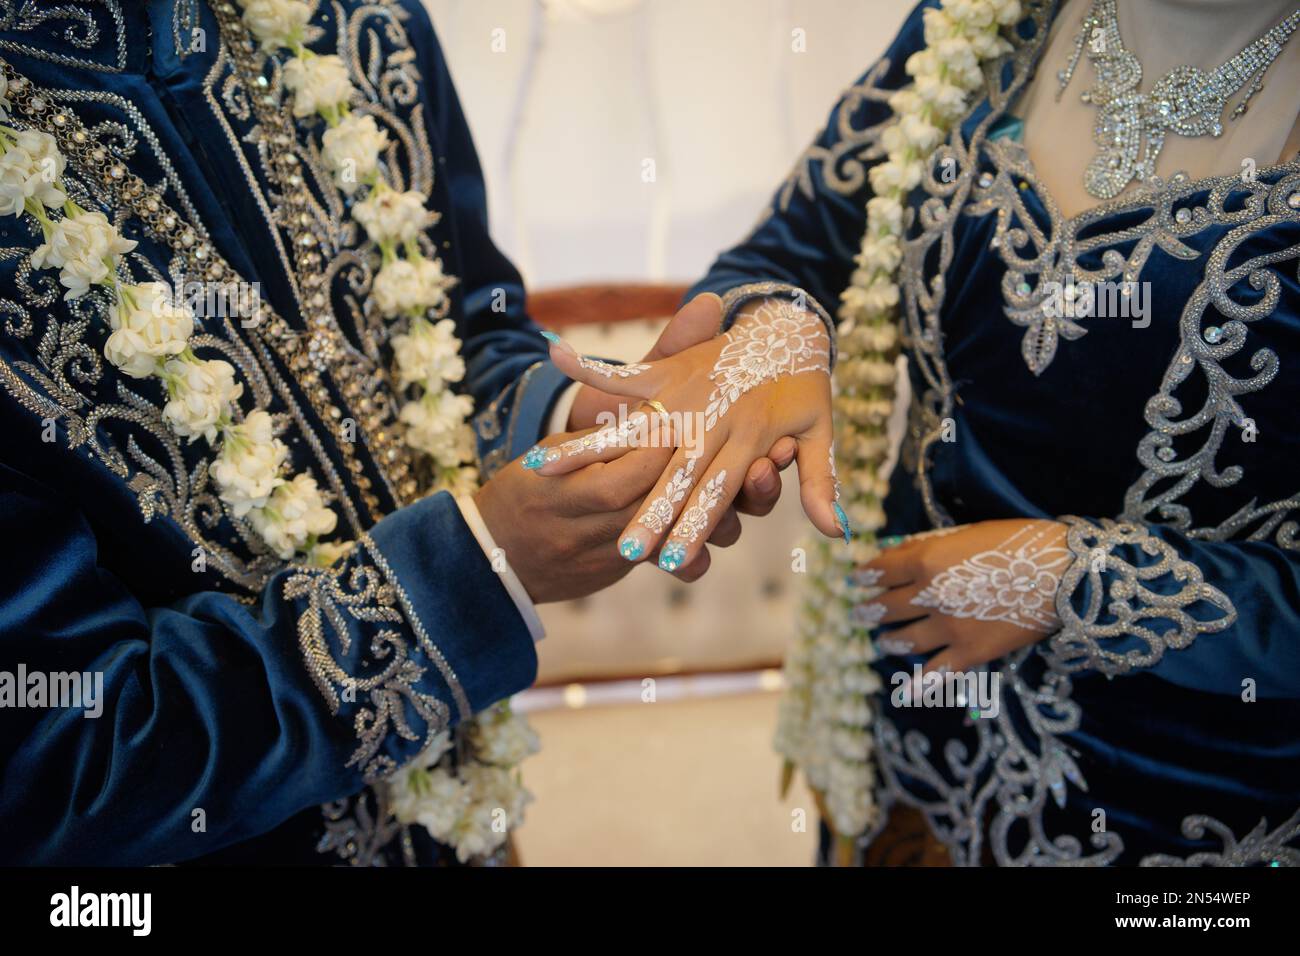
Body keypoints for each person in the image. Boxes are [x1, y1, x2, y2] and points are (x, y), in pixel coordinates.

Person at [0, 0, 836, 865]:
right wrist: (469, 570)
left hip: (460, 816)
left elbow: (468, 323)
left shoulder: (360, 24)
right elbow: (59, 763)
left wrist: (585, 420)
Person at [542, 0, 1300, 865]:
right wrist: (780, 327)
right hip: (910, 732)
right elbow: (799, 243)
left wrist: (1081, 582)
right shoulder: (984, 20)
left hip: (1191, 806)